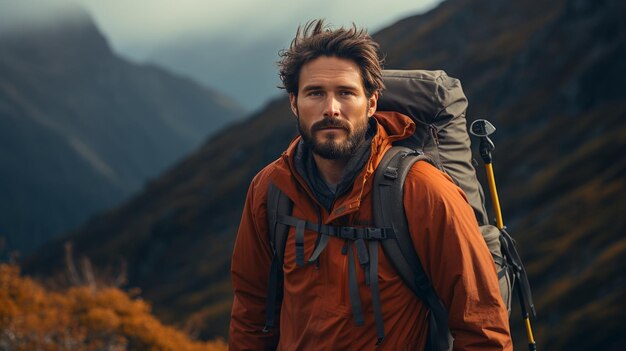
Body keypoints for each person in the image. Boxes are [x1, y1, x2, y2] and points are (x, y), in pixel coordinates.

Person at [229, 19, 512, 350]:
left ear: (372, 103)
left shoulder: (422, 191)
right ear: (294, 103)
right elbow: (252, 312)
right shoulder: (271, 189)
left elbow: (482, 329)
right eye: (315, 93)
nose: (331, 109)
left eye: (346, 93)